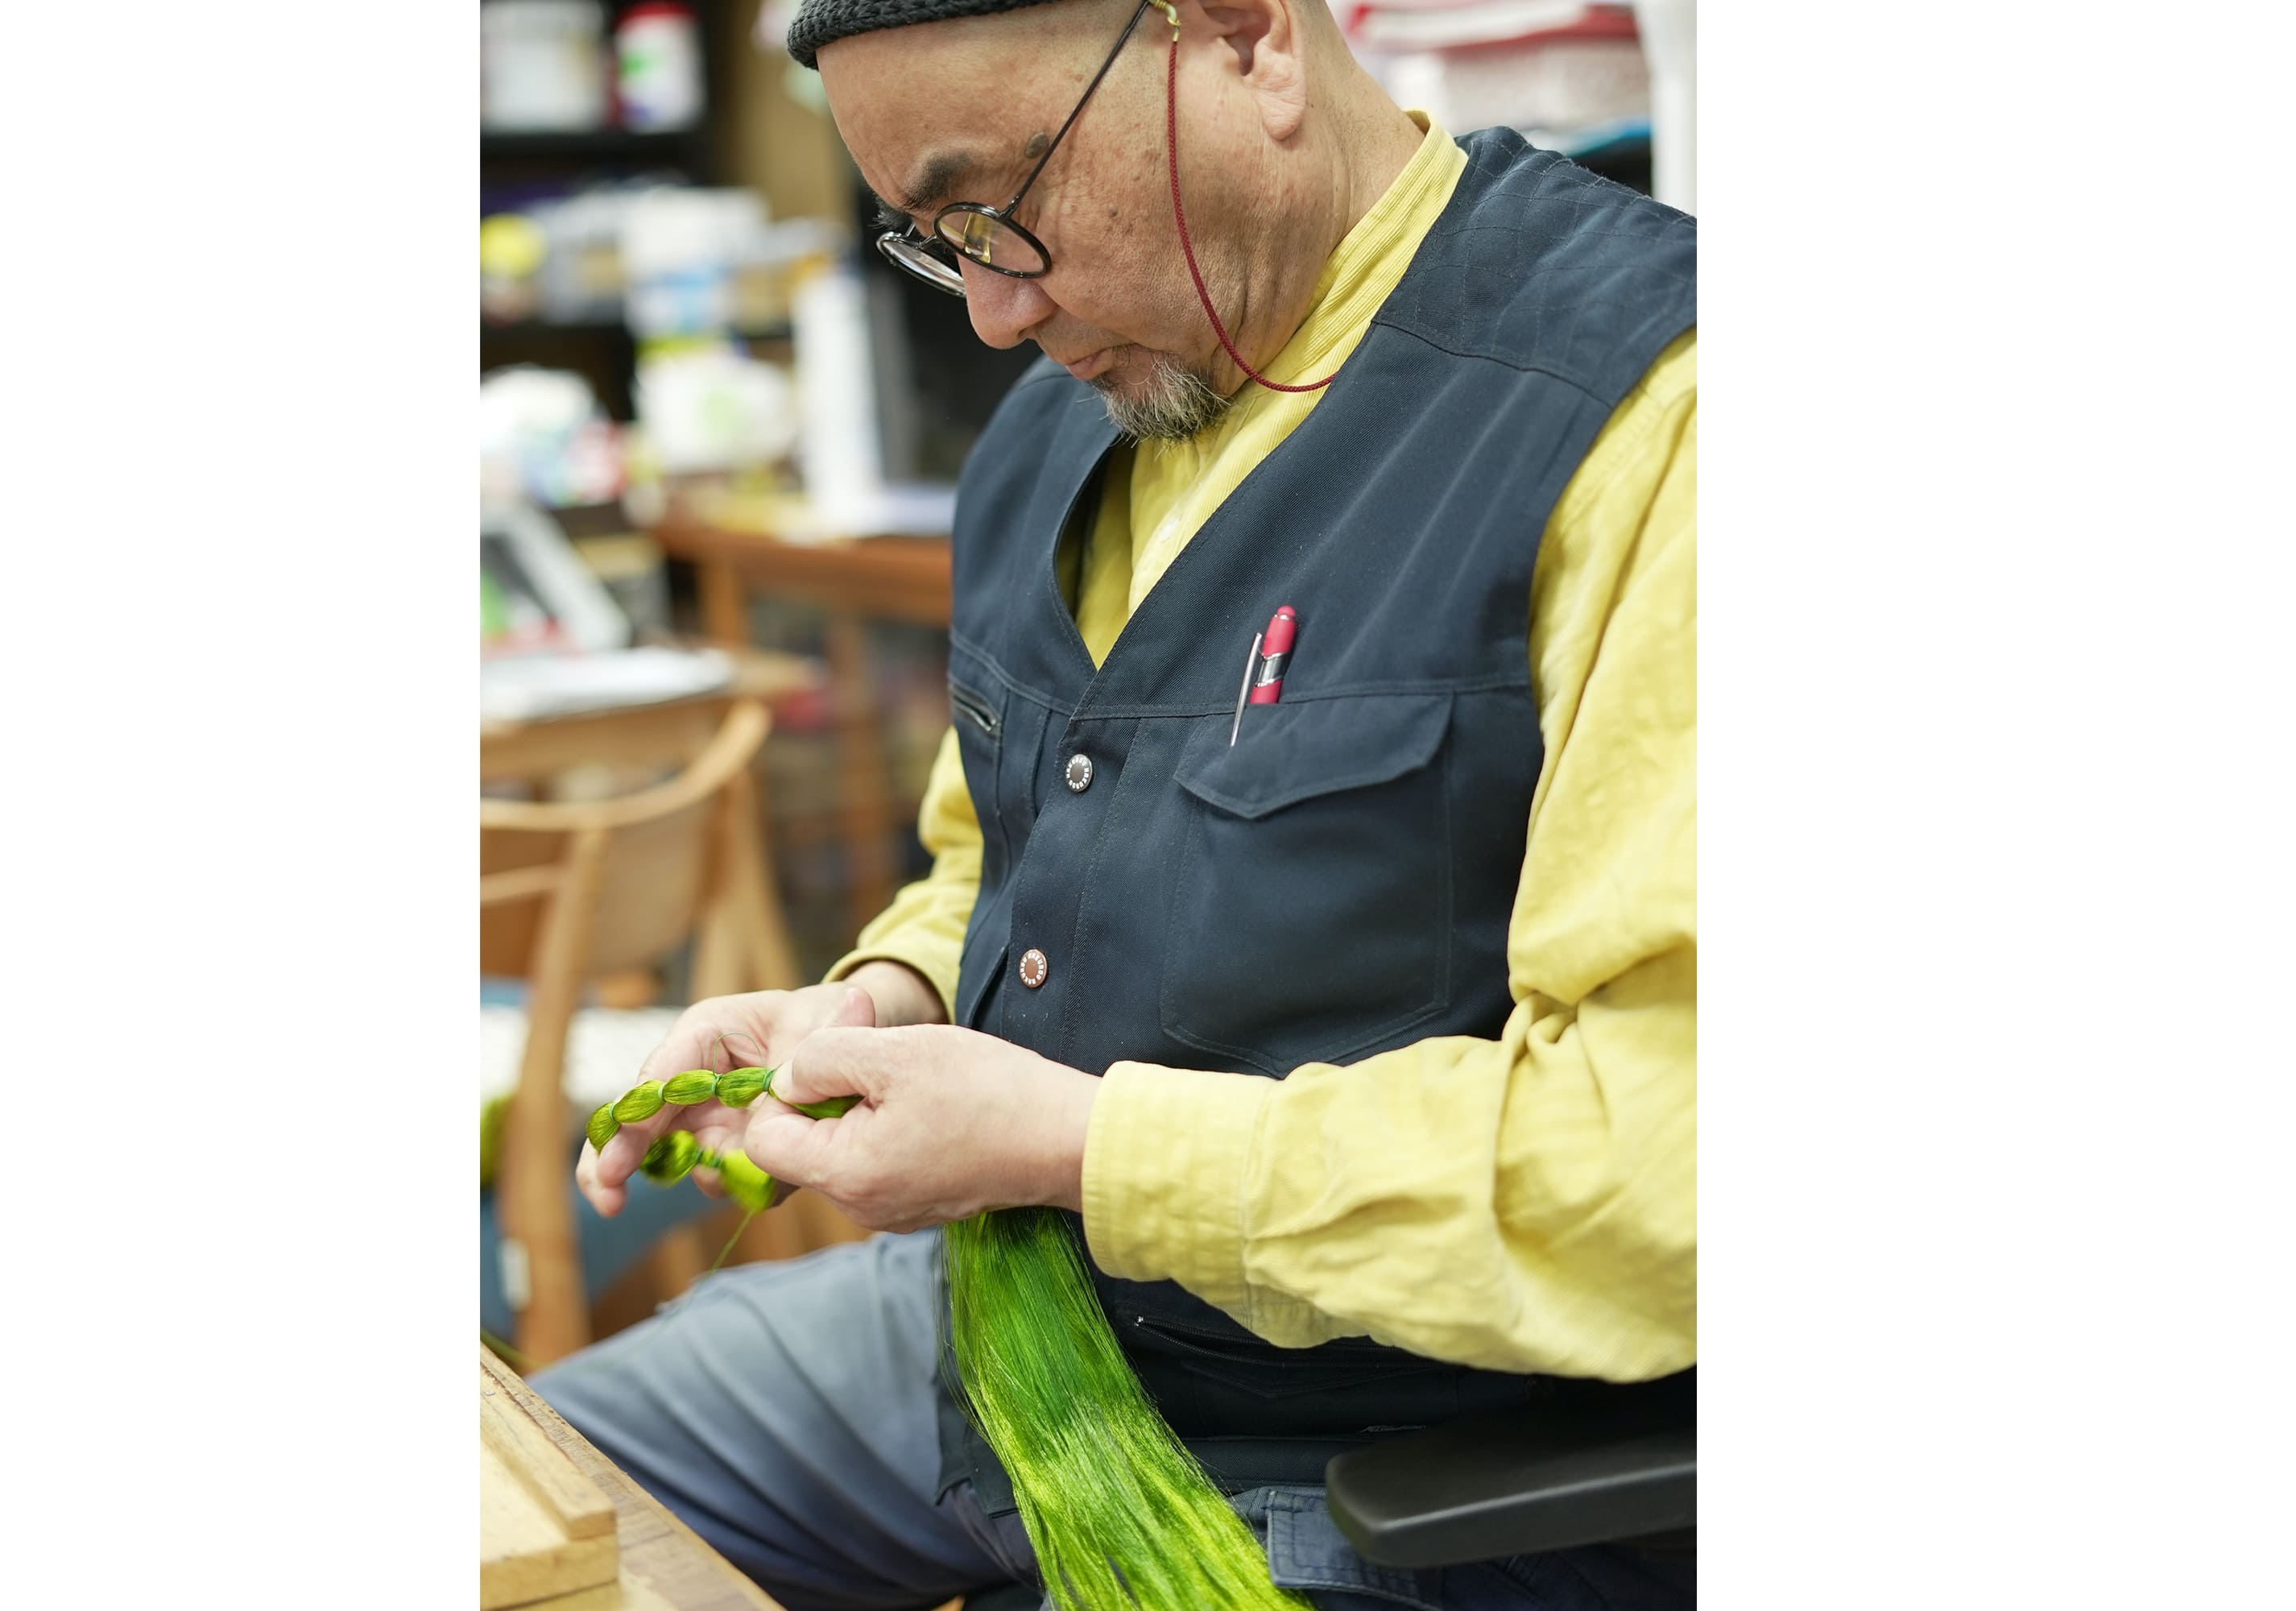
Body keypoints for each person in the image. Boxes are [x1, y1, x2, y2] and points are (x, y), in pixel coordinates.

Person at [533, 0, 1695, 1605]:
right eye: (939, 242)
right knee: (517, 1509)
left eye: (1007, 203)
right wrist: (876, 998)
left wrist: (1080, 1143)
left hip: (1398, 1440)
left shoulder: (1650, 418)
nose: (998, 316)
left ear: (1245, 37)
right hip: (1021, 1329)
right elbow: (989, 855)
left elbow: (1668, 1166)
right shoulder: (1061, 429)